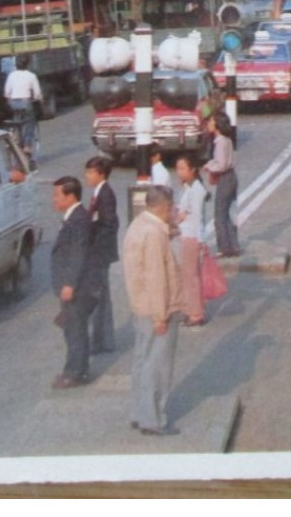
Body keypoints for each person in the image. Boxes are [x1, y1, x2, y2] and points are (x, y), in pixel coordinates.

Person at [121, 185, 185, 437]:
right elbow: (158, 278)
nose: (173, 211)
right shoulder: (155, 235)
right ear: (164, 207)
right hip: (159, 309)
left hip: (141, 307)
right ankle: (153, 420)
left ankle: (139, 413)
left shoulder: (139, 225)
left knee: (142, 362)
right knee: (158, 367)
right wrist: (161, 316)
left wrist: (175, 227)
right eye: (172, 208)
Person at [49, 176, 95, 388]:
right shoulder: (73, 217)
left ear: (70, 196)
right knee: (73, 326)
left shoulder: (78, 220)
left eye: (57, 195)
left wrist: (69, 284)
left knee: (74, 328)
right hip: (71, 284)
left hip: (75, 286)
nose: (54, 200)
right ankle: (80, 369)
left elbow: (79, 253)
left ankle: (74, 372)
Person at [84, 156, 119, 355]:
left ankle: (100, 341)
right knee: (102, 297)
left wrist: (94, 240)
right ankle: (104, 340)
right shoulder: (100, 193)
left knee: (99, 298)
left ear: (101, 174)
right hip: (100, 252)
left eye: (91, 172)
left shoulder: (105, 195)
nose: (87, 176)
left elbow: (109, 224)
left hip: (100, 254)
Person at [171, 153, 209, 328]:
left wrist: (201, 241)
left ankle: (196, 313)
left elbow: (199, 217)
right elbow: (184, 211)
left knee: (191, 276)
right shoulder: (188, 187)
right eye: (178, 169)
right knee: (187, 275)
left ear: (192, 170)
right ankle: (190, 309)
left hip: (192, 237)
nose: (179, 172)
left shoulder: (197, 190)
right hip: (186, 235)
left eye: (182, 169)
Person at [203, 113, 241, 258]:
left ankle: (224, 247)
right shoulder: (227, 140)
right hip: (231, 177)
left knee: (219, 214)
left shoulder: (220, 142)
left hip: (225, 179)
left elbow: (221, 165)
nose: (209, 124)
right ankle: (233, 245)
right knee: (226, 213)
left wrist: (209, 167)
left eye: (211, 121)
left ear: (217, 124)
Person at [4, 56, 43, 169]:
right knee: (30, 122)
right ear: (28, 64)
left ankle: (15, 137)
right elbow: (37, 94)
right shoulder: (31, 76)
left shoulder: (11, 75)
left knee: (17, 121)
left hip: (13, 104)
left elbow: (7, 93)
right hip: (26, 103)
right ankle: (27, 146)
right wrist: (39, 100)